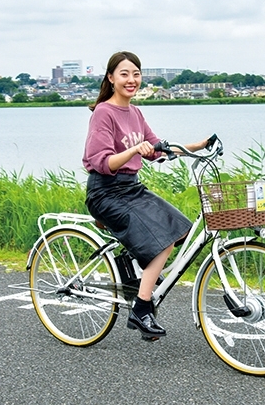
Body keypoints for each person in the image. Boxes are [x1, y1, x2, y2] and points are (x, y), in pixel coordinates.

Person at [82, 51, 209, 341]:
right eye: (124, 74)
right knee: (162, 241)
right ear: (111, 78)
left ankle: (132, 263)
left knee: (180, 230)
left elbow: (157, 149)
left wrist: (197, 146)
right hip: (105, 192)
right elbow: (102, 161)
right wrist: (131, 150)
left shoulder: (136, 113)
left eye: (136, 74)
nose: (131, 80)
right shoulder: (104, 112)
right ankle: (141, 308)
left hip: (131, 188)